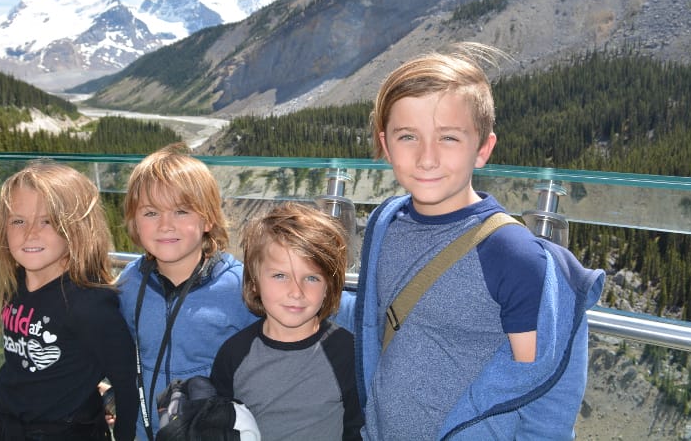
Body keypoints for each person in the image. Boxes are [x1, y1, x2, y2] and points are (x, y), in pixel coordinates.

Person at [353, 44, 606, 440]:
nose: (427, 157)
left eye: (449, 138)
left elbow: (539, 389)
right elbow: (377, 319)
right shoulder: (386, 222)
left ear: (483, 148)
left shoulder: (510, 254)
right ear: (385, 146)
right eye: (408, 137)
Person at [0, 161, 138, 441]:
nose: (30, 232)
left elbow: (127, 385)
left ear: (77, 228)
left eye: (48, 220)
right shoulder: (15, 284)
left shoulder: (90, 305)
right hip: (4, 425)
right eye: (18, 220)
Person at [116, 144, 258, 441]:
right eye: (151, 212)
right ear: (134, 222)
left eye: (181, 211)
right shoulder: (129, 284)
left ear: (208, 220)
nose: (166, 225)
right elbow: (122, 353)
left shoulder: (239, 287)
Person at [210, 201, 363, 441]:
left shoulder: (346, 352)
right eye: (280, 275)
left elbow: (357, 428)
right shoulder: (233, 354)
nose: (296, 291)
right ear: (254, 282)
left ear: (328, 287)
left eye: (311, 278)